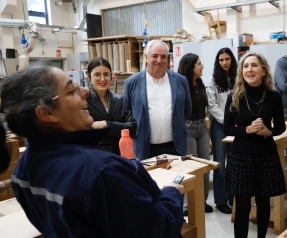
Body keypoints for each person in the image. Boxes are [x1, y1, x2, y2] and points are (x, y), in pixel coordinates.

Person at [1, 62, 184, 237]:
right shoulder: (102, 172)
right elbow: (158, 231)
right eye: (71, 90)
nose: (86, 91)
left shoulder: (22, 172)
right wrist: (171, 193)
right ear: (46, 113)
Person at [223, 53, 286, 238]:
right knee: (242, 206)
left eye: (254, 65)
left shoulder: (274, 97)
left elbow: (280, 127)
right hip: (241, 156)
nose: (249, 70)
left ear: (264, 71)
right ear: (241, 72)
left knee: (263, 202)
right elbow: (227, 128)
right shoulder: (234, 96)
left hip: (265, 155)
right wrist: (247, 130)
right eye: (245, 66)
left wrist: (269, 132)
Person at [123, 40, 191, 160]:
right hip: (146, 149)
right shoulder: (132, 83)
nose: (159, 60)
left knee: (177, 178)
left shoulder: (181, 81)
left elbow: (187, 110)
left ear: (168, 59)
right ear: (146, 57)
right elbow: (126, 113)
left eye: (163, 56)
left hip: (175, 148)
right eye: (155, 56)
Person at [177, 53, 213, 213]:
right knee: (190, 168)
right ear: (190, 66)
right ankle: (187, 205)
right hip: (188, 127)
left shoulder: (200, 83)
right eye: (199, 63)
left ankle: (202, 201)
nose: (202, 66)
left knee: (205, 166)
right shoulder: (181, 85)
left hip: (202, 126)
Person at [206, 47, 237, 214]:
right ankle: (221, 200)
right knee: (220, 162)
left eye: (227, 59)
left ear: (231, 59)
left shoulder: (238, 77)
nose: (224, 62)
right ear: (218, 62)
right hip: (219, 124)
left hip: (236, 125)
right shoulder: (213, 80)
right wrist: (226, 121)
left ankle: (234, 196)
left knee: (234, 161)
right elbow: (212, 105)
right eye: (221, 60)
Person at [86, 57, 136, 155]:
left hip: (118, 155)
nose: (102, 79)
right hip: (93, 156)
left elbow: (132, 128)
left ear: (111, 76)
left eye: (106, 74)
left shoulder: (120, 100)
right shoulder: (83, 101)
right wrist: (118, 128)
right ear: (89, 77)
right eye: (97, 75)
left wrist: (107, 124)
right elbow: (83, 132)